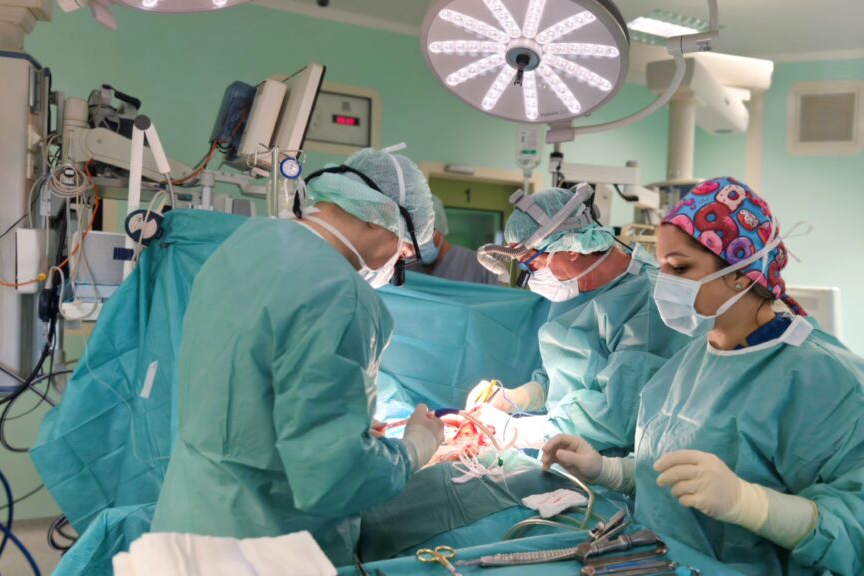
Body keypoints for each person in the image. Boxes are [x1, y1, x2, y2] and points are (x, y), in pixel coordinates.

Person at [541, 177, 864, 575]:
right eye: (661, 264)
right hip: (659, 560)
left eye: (680, 267)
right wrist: (607, 470)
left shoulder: (821, 377)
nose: (662, 282)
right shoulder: (693, 357)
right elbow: (673, 471)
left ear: (742, 271)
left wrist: (751, 504)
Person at [151, 148, 445, 566]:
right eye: (404, 252)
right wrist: (415, 447)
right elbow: (333, 476)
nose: (397, 262)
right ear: (382, 218)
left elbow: (246, 389)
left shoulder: (245, 246)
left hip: (188, 518)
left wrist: (342, 425)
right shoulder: (343, 295)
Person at [467, 186, 690, 452]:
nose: (532, 274)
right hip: (564, 457)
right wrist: (515, 398)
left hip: (611, 468)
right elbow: (563, 379)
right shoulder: (571, 288)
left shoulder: (647, 304)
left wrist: (512, 431)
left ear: (571, 247)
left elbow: (619, 418)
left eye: (533, 262)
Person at [410, 196, 501, 285]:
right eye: (410, 236)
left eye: (425, 233)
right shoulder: (406, 270)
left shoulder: (482, 268)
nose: (418, 241)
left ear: (440, 229)